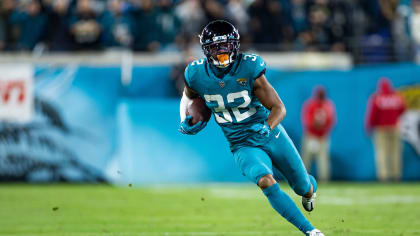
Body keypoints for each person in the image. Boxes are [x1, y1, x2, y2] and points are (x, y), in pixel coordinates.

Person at [178, 20, 324, 236]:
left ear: (235, 45)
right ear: (206, 50)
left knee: (303, 187)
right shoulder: (196, 73)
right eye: (216, 47)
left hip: (271, 135)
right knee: (265, 180)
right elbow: (187, 97)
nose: (221, 52)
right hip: (241, 143)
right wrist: (184, 119)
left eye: (226, 45)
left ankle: (309, 189)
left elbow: (279, 108)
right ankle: (310, 231)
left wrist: (267, 126)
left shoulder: (249, 66)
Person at [365, 77, 406, 181]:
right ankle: (396, 175)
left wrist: (369, 127)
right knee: (396, 153)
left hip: (381, 129)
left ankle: (383, 177)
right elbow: (403, 110)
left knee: (382, 153)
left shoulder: (377, 98)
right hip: (394, 127)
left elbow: (372, 115)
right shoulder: (397, 97)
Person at [301, 86, 336, 182]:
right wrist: (315, 125)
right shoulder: (311, 104)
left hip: (322, 136)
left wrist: (322, 128)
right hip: (311, 136)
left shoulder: (328, 105)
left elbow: (331, 121)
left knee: (323, 160)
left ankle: (324, 179)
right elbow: (307, 121)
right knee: (307, 159)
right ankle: (302, 179)